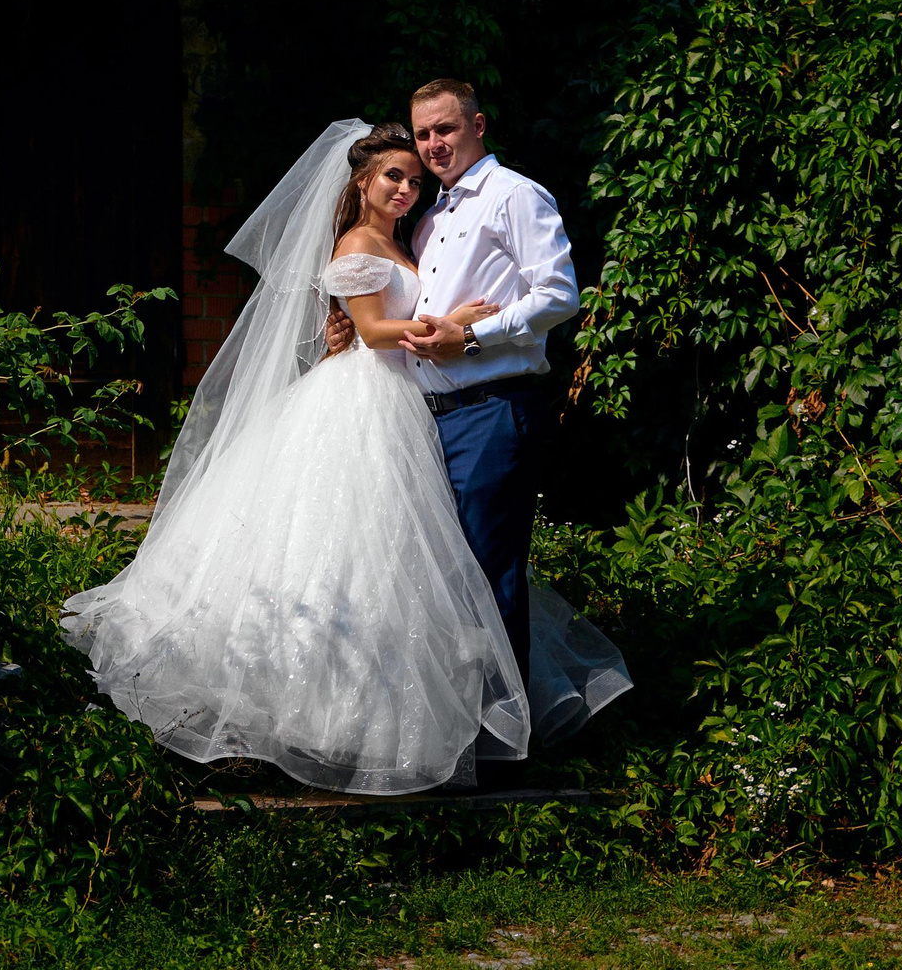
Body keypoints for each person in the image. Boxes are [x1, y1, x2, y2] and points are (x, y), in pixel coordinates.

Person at [60, 119, 627, 795]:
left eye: (413, 179)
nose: (407, 188)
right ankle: (309, 714)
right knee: (338, 547)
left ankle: (386, 717)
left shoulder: (410, 238)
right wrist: (451, 325)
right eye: (393, 176)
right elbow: (372, 330)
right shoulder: (358, 241)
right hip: (363, 396)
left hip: (405, 399)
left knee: (398, 560)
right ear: (361, 181)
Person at [321, 79, 571, 684]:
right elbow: (400, 311)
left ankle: (503, 725)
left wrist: (473, 336)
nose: (433, 144)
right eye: (424, 133)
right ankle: (452, 712)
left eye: (446, 128)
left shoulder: (514, 196)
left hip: (489, 409)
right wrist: (352, 331)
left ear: (477, 126)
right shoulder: (427, 220)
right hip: (422, 418)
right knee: (438, 576)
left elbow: (559, 295)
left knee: (488, 574)